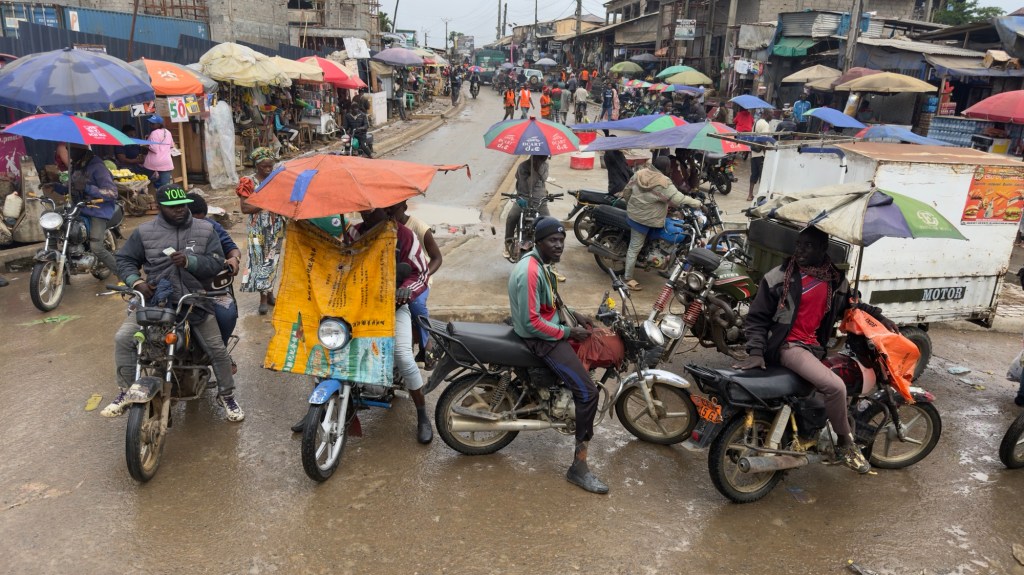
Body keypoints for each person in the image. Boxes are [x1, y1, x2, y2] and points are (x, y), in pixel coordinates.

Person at [735, 226, 899, 474]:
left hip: (814, 348)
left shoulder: (834, 281)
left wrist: (880, 317)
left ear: (823, 249)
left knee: (828, 387)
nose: (800, 250)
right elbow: (756, 318)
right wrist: (756, 352)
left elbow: (852, 305)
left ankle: (806, 434)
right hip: (788, 346)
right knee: (836, 387)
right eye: (799, 244)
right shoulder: (779, 277)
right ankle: (845, 444)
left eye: (808, 246)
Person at [103, 184, 244, 422]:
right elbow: (124, 260)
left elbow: (216, 262)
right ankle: (125, 391)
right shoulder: (144, 232)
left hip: (195, 300)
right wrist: (137, 282)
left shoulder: (206, 229)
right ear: (159, 207)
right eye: (172, 207)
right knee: (124, 339)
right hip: (155, 301)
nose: (179, 210)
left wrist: (190, 262)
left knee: (216, 349)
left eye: (182, 205)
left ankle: (227, 396)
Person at [507, 216, 608, 494]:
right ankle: (579, 467)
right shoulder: (531, 271)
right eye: (553, 240)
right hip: (539, 339)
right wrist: (567, 332)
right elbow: (531, 323)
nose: (559, 245)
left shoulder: (541, 264)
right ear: (539, 242)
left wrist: (574, 314)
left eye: (562, 240)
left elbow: (549, 303)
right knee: (588, 393)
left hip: (544, 331)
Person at [348, 206, 433, 443]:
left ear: (386, 210)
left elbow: (420, 273)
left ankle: (422, 414)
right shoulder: (353, 234)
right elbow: (336, 263)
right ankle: (317, 409)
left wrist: (406, 290)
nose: (365, 214)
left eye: (372, 210)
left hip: (393, 306)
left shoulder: (405, 236)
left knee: (403, 356)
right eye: (363, 210)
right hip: (356, 307)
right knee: (329, 349)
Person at [619, 157, 703, 291]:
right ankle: (627, 278)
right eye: (670, 167)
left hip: (634, 215)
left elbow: (627, 192)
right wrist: (698, 204)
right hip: (646, 220)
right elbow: (679, 198)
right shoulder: (664, 182)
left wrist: (632, 206)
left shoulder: (639, 173)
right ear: (667, 168)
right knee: (634, 247)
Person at [187, 193, 241, 348]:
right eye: (195, 220)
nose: (199, 225)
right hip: (180, 287)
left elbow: (232, 248)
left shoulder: (212, 227)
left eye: (202, 220)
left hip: (210, 287)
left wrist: (234, 259)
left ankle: (221, 349)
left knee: (227, 314)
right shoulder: (168, 230)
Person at [393, 200, 443, 369]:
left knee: (415, 303)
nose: (389, 213)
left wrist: (424, 275)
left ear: (404, 208)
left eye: (393, 209)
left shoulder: (419, 228)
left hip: (418, 277)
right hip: (395, 278)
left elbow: (437, 258)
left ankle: (427, 345)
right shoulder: (384, 228)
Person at [236, 147, 285, 315]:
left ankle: (269, 293)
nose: (268, 169)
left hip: (276, 226)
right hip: (257, 228)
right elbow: (245, 208)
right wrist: (266, 203)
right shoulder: (248, 182)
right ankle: (263, 298)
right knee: (259, 261)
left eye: (271, 166)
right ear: (256, 165)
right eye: (265, 166)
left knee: (272, 261)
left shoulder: (277, 180)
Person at [68, 144, 118, 276]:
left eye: (72, 150)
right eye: (68, 149)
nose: (70, 153)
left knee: (96, 247)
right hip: (80, 208)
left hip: (98, 210)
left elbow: (112, 193)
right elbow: (72, 187)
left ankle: (123, 274)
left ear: (82, 150)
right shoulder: (76, 166)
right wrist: (54, 186)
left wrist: (87, 188)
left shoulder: (98, 167)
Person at [504, 155, 550, 259]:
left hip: (540, 201)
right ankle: (508, 243)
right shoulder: (523, 166)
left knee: (549, 223)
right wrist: (531, 171)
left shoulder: (545, 166)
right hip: (523, 199)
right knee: (511, 217)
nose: (545, 158)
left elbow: (544, 179)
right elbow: (521, 183)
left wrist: (536, 171)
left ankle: (548, 252)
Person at [142, 114, 175, 189]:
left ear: (159, 124)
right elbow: (171, 146)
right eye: (151, 123)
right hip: (166, 162)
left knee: (143, 182)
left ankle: (146, 194)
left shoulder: (154, 133)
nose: (151, 125)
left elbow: (154, 148)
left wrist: (144, 145)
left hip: (153, 162)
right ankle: (163, 195)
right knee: (165, 187)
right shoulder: (168, 132)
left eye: (153, 124)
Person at [748, 111, 773, 201]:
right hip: (761, 153)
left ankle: (750, 195)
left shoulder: (756, 123)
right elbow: (764, 140)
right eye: (771, 114)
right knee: (762, 176)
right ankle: (760, 196)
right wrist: (766, 153)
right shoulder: (765, 124)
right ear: (766, 114)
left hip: (754, 152)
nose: (772, 116)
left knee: (754, 174)